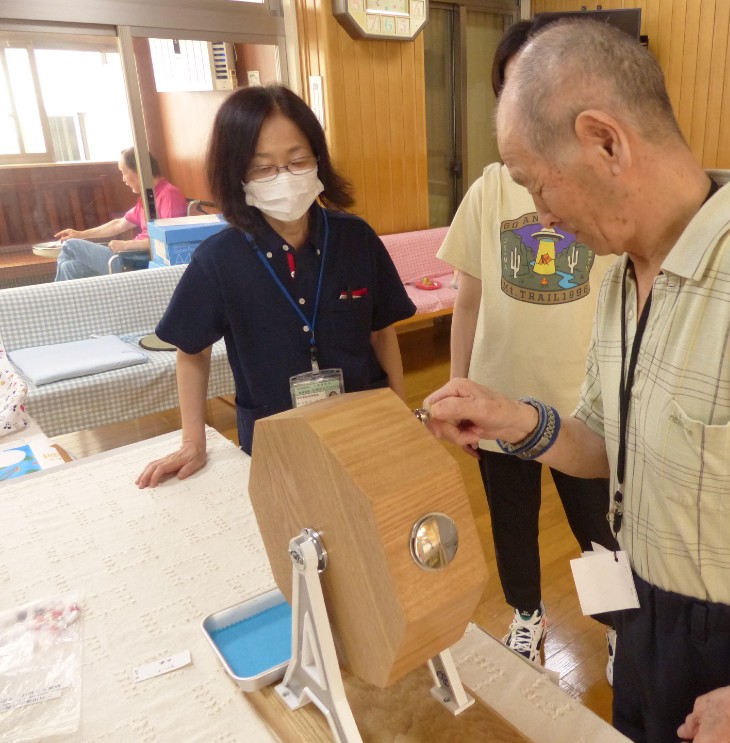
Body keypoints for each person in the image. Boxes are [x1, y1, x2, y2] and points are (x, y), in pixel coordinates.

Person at [423, 21, 730, 743]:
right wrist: (512, 419)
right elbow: (604, 446)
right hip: (645, 617)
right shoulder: (620, 277)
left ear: (606, 142)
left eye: (534, 182)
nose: (540, 213)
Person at [437, 20, 620, 677]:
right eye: (513, 84)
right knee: (510, 523)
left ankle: (618, 624)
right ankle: (525, 613)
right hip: (498, 396)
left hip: (582, 406)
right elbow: (467, 297)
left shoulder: (600, 183)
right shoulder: (490, 187)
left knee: (599, 528)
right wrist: (458, 388)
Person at [137, 85, 414, 487]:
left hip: (364, 427)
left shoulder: (356, 239)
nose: (283, 177)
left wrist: (401, 415)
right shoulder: (219, 259)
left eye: (297, 160)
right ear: (238, 174)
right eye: (263, 168)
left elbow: (382, 334)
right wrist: (192, 441)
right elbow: (191, 350)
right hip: (274, 440)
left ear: (317, 158)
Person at [54, 148, 186, 280]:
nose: (123, 179)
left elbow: (167, 240)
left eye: (124, 172)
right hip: (129, 255)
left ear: (140, 170)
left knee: (70, 245)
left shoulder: (169, 194)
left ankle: (54, 299)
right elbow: (119, 224)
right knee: (68, 266)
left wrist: (126, 245)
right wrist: (80, 234)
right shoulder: (148, 196)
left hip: (139, 260)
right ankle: (64, 300)